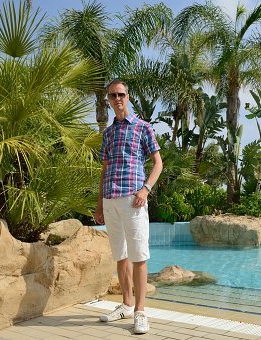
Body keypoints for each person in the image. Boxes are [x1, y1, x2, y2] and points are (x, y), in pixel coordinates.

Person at [95, 79, 163, 334]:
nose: (117, 99)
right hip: (110, 200)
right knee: (120, 256)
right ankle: (125, 304)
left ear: (128, 96)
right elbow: (104, 170)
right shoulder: (108, 133)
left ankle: (141, 312)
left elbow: (158, 163)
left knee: (138, 256)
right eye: (112, 95)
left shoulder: (143, 127)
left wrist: (146, 189)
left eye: (121, 94)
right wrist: (99, 203)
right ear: (109, 100)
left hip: (133, 199)